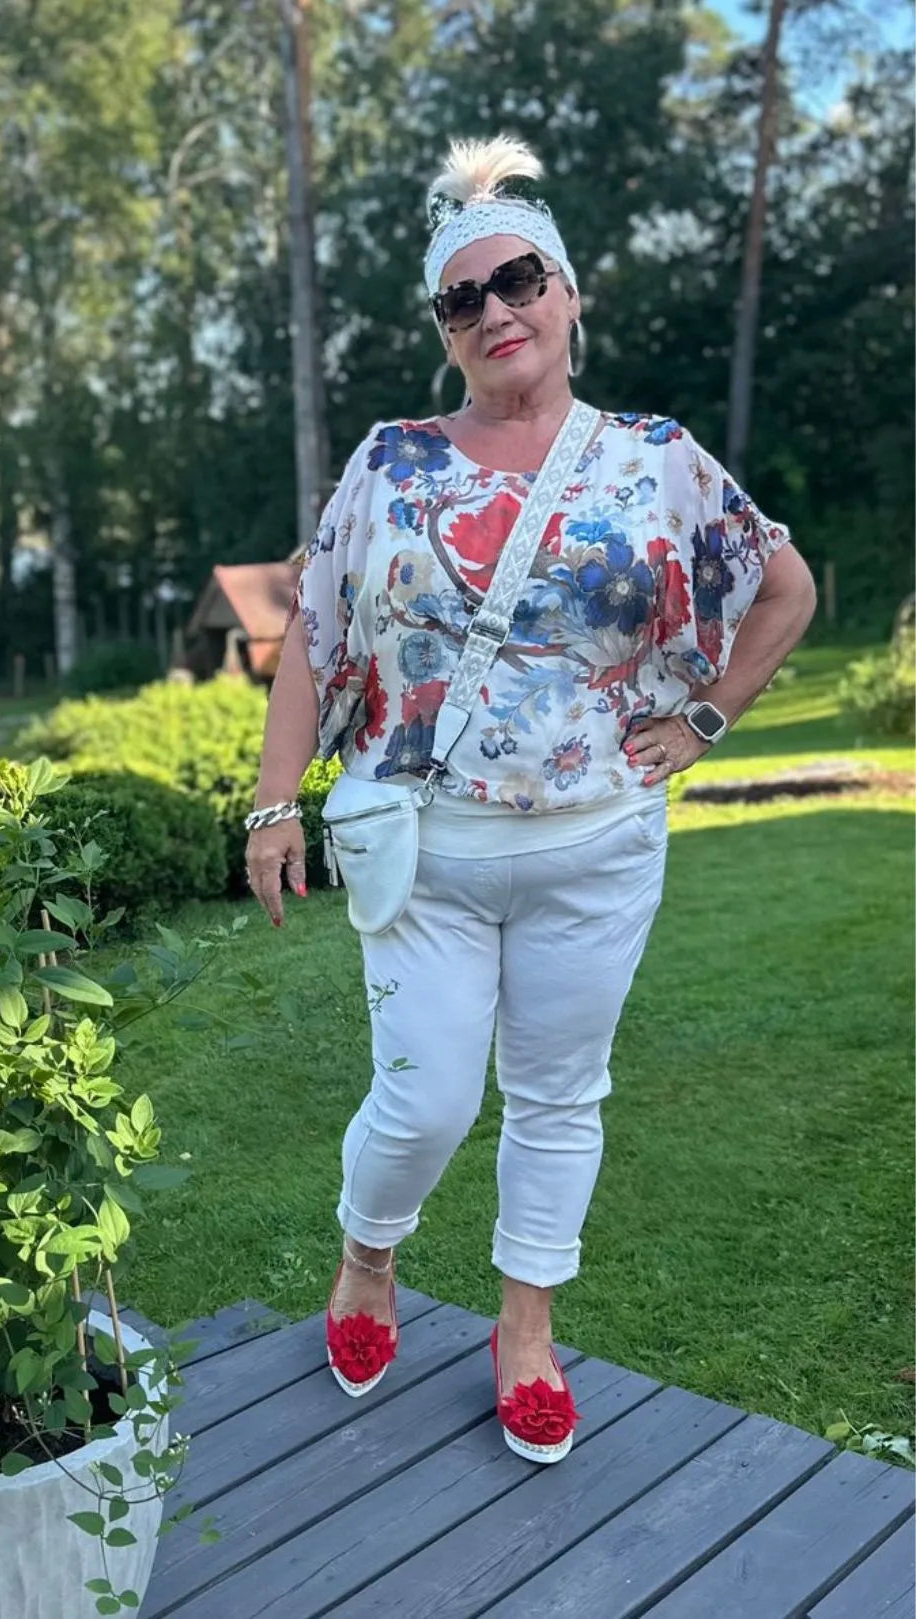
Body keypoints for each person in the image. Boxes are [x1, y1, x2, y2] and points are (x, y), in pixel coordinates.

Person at [244, 135, 817, 1464]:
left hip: (599, 844)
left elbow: (782, 589)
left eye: (520, 281)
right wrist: (274, 805)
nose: (496, 311)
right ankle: (368, 1258)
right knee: (427, 1098)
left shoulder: (658, 460)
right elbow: (312, 638)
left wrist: (707, 716)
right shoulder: (391, 463)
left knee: (561, 1096)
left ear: (567, 295)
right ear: (444, 329)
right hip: (425, 850)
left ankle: (525, 1332)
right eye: (464, 298)